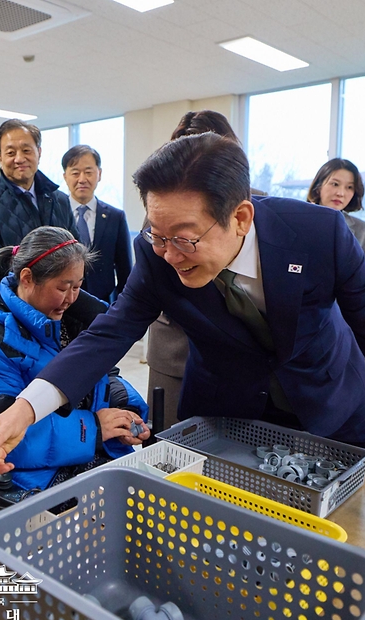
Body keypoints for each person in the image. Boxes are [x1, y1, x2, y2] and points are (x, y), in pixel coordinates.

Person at [0, 133, 365, 542]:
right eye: (157, 235)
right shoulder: (156, 252)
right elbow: (109, 334)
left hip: (328, 399)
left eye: (184, 238)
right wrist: (26, 408)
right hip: (227, 409)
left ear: (240, 217)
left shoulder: (317, 233)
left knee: (334, 537)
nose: (169, 254)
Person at [0, 226, 147, 492]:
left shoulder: (71, 319)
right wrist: (95, 428)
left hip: (83, 454)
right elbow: (2, 436)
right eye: (63, 288)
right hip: (29, 475)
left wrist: (125, 409)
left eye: (78, 286)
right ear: (27, 278)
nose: (71, 298)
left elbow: (103, 374)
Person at [145, 110, 243, 427]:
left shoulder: (253, 209)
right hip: (174, 346)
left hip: (236, 352)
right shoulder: (157, 218)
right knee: (168, 436)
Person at [0, 119, 78, 270]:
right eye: (11, 153)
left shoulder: (60, 200)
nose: (19, 159)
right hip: (12, 286)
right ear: (0, 157)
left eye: (26, 150)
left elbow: (76, 252)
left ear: (39, 152)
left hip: (61, 286)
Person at [60, 144, 132, 302]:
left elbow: (125, 270)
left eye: (88, 172)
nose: (82, 179)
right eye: (75, 173)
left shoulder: (116, 217)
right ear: (65, 176)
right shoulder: (56, 213)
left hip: (104, 302)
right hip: (62, 301)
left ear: (99, 174)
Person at [307, 158, 365, 284]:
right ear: (318, 187)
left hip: (345, 295)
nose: (341, 193)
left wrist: (356, 272)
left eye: (349, 187)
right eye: (335, 184)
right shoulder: (296, 222)